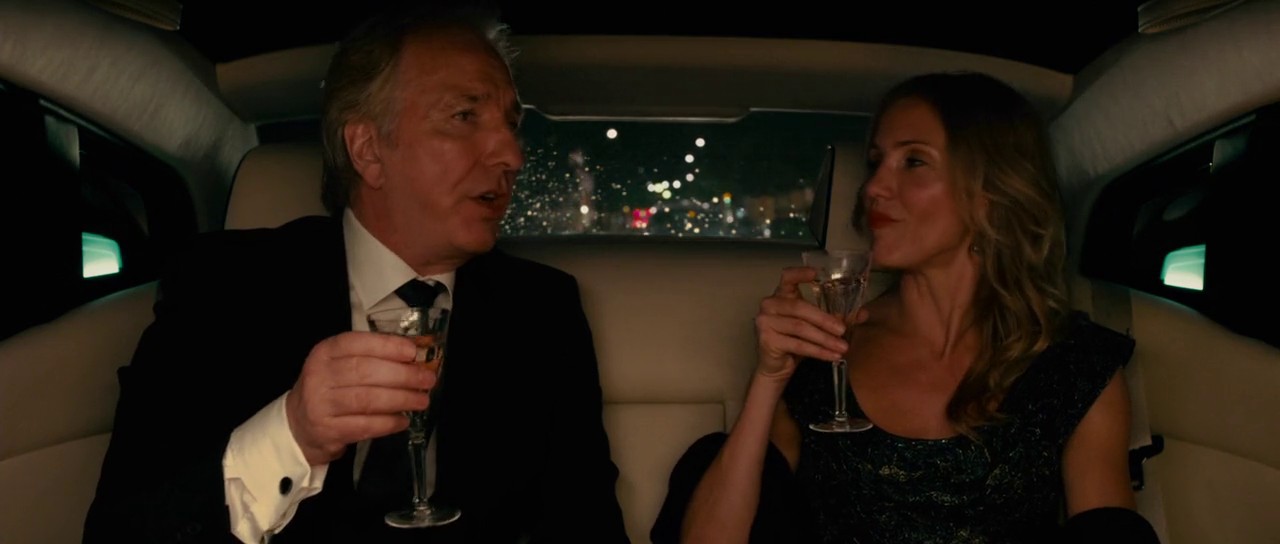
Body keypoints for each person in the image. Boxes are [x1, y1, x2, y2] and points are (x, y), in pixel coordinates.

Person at [82, 2, 629, 543]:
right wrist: (292, 433)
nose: (511, 154)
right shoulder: (224, 285)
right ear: (367, 150)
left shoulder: (542, 310)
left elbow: (587, 526)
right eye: (465, 117)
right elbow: (122, 531)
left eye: (511, 125)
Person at [650, 71, 1160, 543]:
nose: (873, 187)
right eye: (875, 163)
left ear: (990, 191)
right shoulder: (825, 349)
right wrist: (768, 380)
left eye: (913, 161)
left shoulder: (1073, 364)